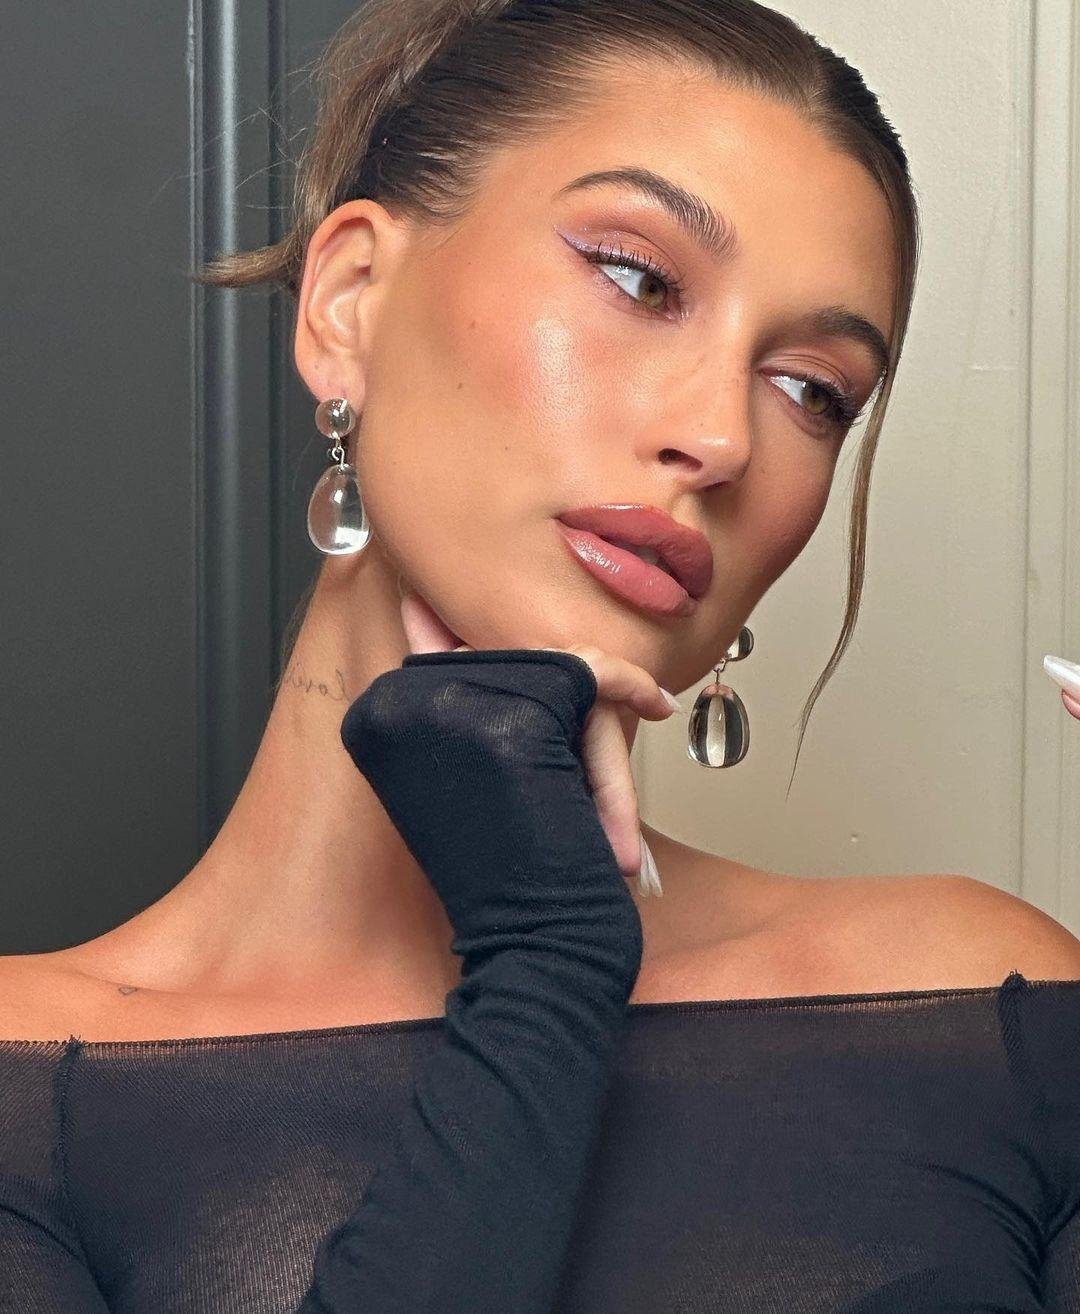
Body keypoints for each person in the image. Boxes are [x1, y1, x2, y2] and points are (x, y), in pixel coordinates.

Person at [2, 1, 1079, 1309]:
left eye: (812, 389)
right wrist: (547, 965)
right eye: (637, 278)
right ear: (349, 301)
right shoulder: (32, 1089)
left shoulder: (995, 1013)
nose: (722, 439)